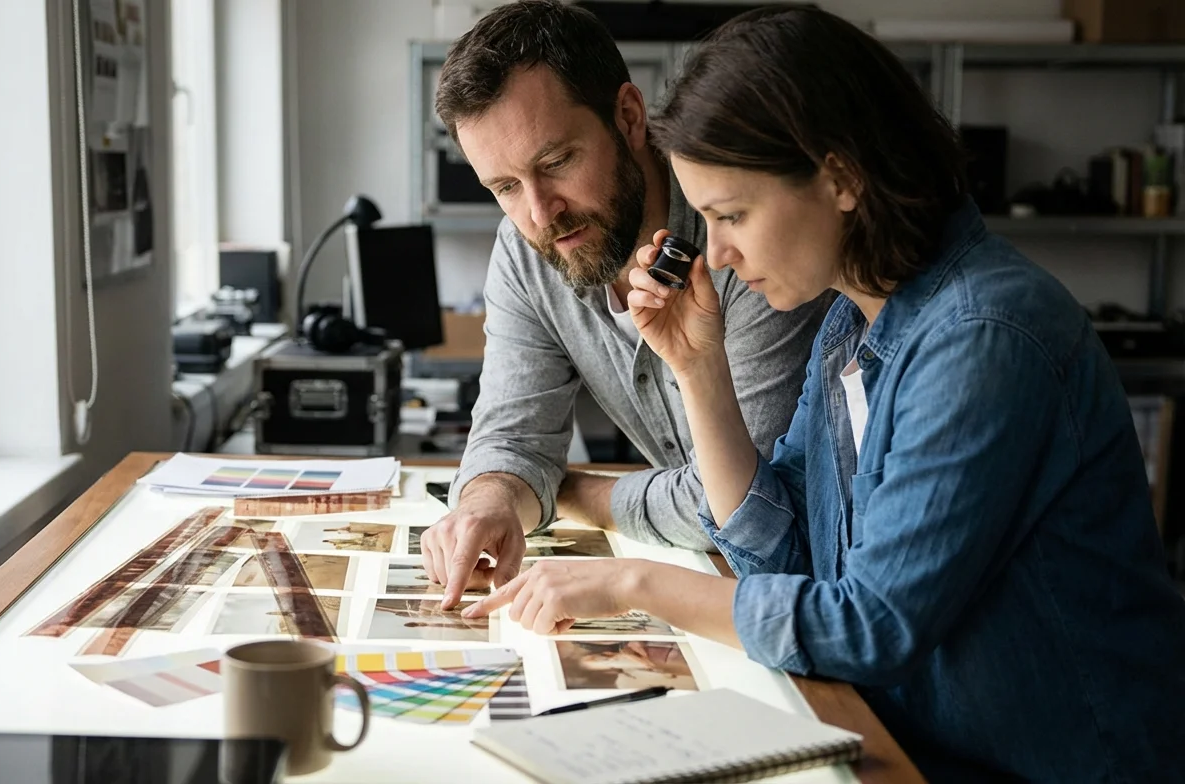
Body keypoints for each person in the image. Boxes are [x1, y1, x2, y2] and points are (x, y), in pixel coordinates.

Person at [464, 7, 1185, 781]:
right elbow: (782, 546)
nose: (726, 257)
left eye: (733, 216)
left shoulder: (987, 334)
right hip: (906, 737)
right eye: (708, 220)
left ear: (840, 178)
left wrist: (634, 581)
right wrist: (699, 370)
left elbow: (872, 624)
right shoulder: (850, 323)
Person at [421, 0, 830, 608]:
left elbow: (745, 503)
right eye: (505, 187)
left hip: (803, 585)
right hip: (717, 584)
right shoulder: (528, 247)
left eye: (557, 162)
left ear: (629, 116)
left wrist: (573, 493)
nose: (539, 212)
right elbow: (512, 434)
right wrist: (491, 500)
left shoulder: (746, 244)